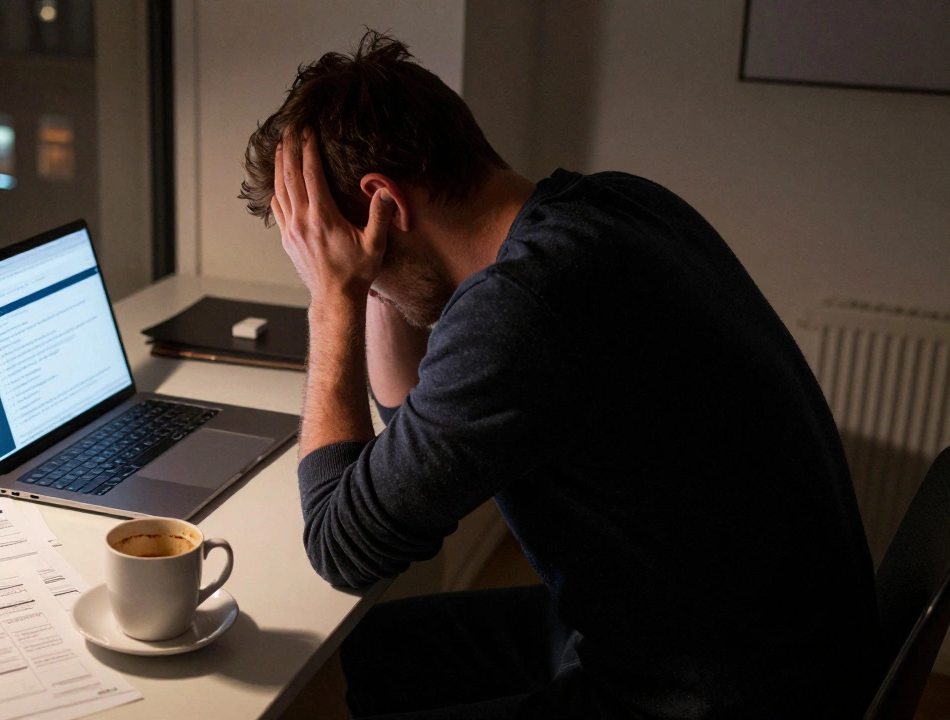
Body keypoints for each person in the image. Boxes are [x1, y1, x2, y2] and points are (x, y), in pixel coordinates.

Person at [239, 30, 879, 720]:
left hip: (716, 690)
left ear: (383, 204)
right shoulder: (614, 206)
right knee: (380, 651)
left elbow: (343, 546)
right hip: (758, 634)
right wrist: (366, 281)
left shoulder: (524, 307)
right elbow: (414, 428)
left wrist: (331, 300)